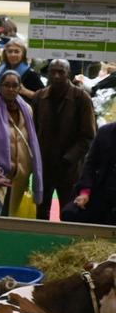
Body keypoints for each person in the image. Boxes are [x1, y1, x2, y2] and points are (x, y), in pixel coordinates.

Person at [0, 70, 44, 217]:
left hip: (20, 178)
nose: (10, 89)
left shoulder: (27, 110)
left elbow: (30, 144)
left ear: (19, 88)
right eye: (6, 85)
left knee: (9, 217)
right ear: (0, 86)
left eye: (14, 86)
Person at [33, 58, 98, 221]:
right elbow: (32, 131)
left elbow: (89, 136)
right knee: (41, 211)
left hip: (70, 168)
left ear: (68, 74)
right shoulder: (39, 97)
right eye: (52, 72)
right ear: (47, 74)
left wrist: (69, 158)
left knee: (68, 212)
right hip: (44, 166)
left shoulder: (81, 98)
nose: (56, 76)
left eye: (60, 72)